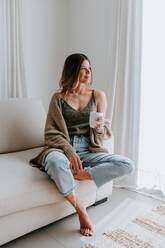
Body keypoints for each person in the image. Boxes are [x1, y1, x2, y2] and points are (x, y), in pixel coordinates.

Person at [30, 53, 134, 237]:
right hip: (61, 149)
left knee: (127, 164)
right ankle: (81, 211)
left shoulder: (99, 96)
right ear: (73, 70)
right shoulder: (58, 98)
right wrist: (69, 151)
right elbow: (50, 133)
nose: (89, 72)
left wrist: (100, 129)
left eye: (89, 68)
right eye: (83, 68)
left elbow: (100, 136)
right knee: (55, 162)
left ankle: (78, 173)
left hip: (89, 149)